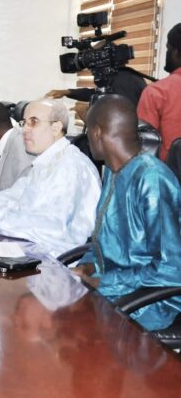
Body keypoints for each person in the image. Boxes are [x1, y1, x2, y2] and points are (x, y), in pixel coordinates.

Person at [73, 95, 181, 331]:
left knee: (69, 327)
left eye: (88, 131)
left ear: (97, 132)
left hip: (150, 301)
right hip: (118, 290)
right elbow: (104, 240)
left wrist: (102, 282)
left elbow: (170, 269)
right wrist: (87, 267)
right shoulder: (114, 172)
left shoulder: (152, 179)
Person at [0, 99, 101, 258]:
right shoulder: (45, 163)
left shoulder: (68, 166)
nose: (24, 129)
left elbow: (43, 226)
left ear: (56, 127)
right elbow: (13, 196)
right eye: (24, 123)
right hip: (31, 249)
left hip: (53, 260)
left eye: (33, 122)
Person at [137, 23, 181, 161]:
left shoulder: (156, 92)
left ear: (176, 52)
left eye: (168, 48)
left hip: (168, 173)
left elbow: (145, 149)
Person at [46, 66, 148, 106]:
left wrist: (87, 116)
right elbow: (95, 93)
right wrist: (66, 92)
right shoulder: (117, 75)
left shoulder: (124, 79)